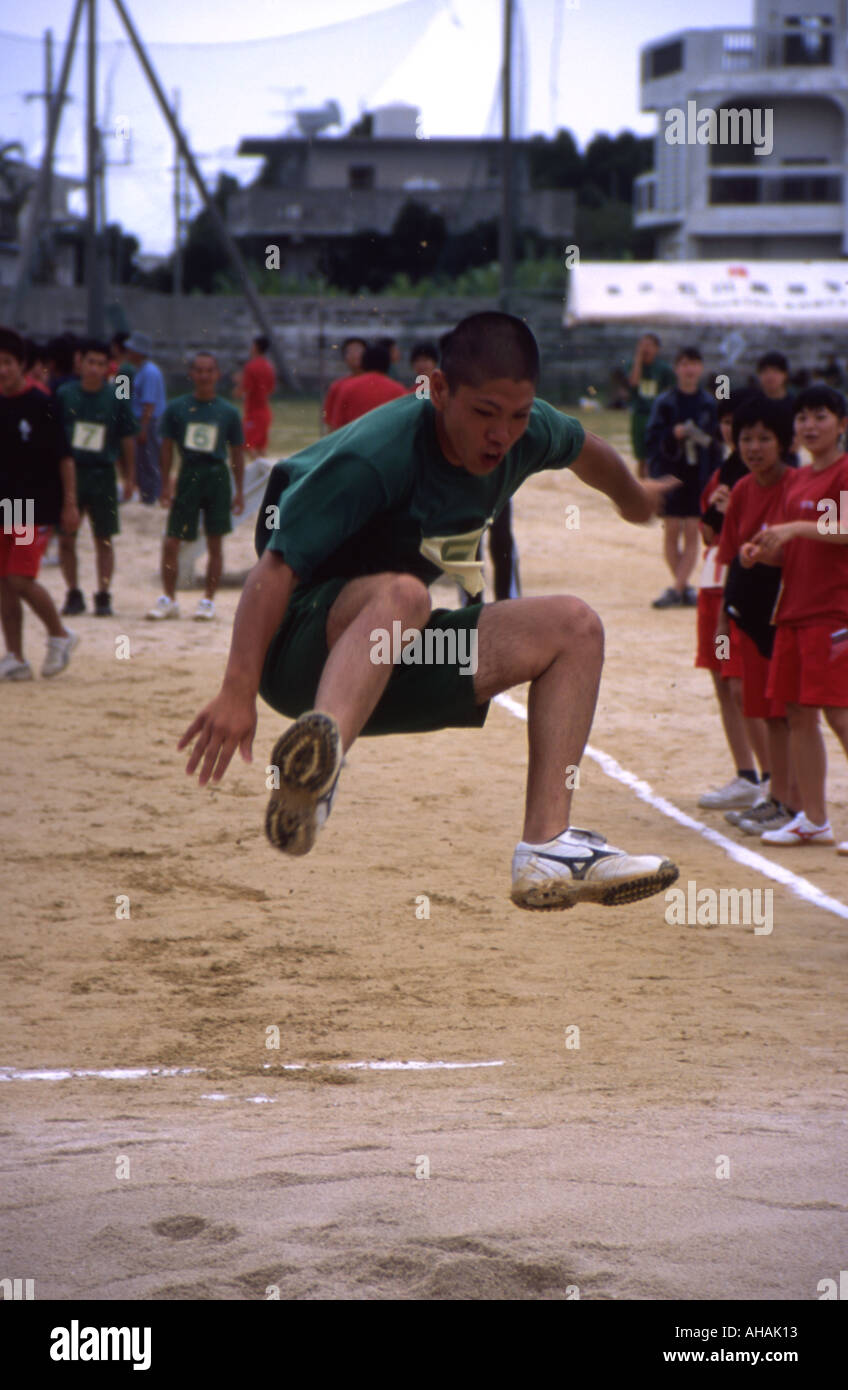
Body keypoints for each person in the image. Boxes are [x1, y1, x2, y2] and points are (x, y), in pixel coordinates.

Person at [178, 311, 680, 912]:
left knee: (574, 626)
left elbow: (587, 451)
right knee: (407, 594)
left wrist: (636, 502)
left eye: (518, 416)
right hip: (300, 650)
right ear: (439, 390)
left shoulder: (526, 432)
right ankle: (319, 764)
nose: (502, 435)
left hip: (391, 654)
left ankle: (547, 846)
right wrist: (237, 689)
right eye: (485, 413)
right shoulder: (378, 453)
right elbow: (274, 570)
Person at [741, 385, 848, 854]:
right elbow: (793, 554)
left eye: (820, 416)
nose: (809, 425)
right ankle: (814, 819)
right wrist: (760, 554)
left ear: (841, 423)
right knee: (797, 713)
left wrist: (796, 528)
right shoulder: (799, 479)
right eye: (802, 417)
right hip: (794, 612)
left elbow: (844, 532)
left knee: (840, 713)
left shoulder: (844, 473)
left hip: (834, 612)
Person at [715, 395, 800, 835]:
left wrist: (767, 555)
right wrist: (723, 624)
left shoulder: (797, 486)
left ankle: (795, 803)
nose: (753, 447)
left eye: (764, 438)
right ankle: (777, 796)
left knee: (790, 711)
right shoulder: (745, 489)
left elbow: (805, 553)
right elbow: (730, 556)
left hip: (784, 613)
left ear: (784, 442)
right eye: (746, 438)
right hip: (747, 614)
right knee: (766, 711)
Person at [696, 392, 769, 812]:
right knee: (723, 680)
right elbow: (708, 535)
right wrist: (719, 511)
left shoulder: (763, 478)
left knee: (745, 684)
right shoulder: (722, 473)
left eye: (736, 425)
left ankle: (771, 778)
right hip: (713, 585)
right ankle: (746, 774)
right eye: (725, 424)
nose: (730, 432)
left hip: (740, 591)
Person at [0, 326, 79, 680]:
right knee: (3, 582)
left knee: (19, 578)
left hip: (33, 505)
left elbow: (64, 457)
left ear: (21, 364)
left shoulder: (42, 402)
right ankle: (15, 656)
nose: (2, 370)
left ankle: (60, 635)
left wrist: (70, 504)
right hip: (5, 505)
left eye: (7, 362)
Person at [147, 351, 244, 622]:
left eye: (209, 370)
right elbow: (166, 449)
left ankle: (208, 600)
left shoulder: (228, 411)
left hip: (217, 477)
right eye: (199, 370)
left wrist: (238, 490)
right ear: (191, 374)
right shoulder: (177, 409)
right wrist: (164, 484)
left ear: (217, 375)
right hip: (188, 474)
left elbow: (237, 452)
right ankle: (168, 598)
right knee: (172, 540)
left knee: (215, 541)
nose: (203, 375)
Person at [56, 338, 138, 617]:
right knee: (67, 537)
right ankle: (73, 591)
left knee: (103, 538)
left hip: (103, 474)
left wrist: (129, 477)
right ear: (80, 362)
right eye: (90, 362)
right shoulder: (64, 394)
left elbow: (127, 438)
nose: (94, 368)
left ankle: (103, 593)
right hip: (71, 474)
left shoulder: (117, 397)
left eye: (101, 364)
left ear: (107, 367)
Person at [645, 345, 721, 609]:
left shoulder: (708, 403)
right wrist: (672, 433)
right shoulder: (665, 402)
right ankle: (683, 587)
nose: (689, 369)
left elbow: (716, 441)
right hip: (671, 473)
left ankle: (676, 589)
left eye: (694, 363)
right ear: (677, 368)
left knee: (691, 531)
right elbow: (651, 437)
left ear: (700, 368)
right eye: (684, 363)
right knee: (671, 531)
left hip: (698, 474)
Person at [124, 330, 166, 504]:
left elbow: (149, 403)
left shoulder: (149, 372)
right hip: (142, 420)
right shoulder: (136, 370)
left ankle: (153, 495)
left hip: (149, 422)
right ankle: (146, 493)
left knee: (149, 460)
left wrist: (143, 428)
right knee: (142, 460)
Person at [626, 333, 675, 480]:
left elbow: (671, 389)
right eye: (642, 345)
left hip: (656, 415)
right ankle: (642, 486)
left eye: (649, 345)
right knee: (641, 455)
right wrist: (638, 360)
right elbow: (634, 383)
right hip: (639, 414)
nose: (645, 349)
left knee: (655, 454)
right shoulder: (633, 365)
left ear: (657, 349)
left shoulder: (663, 368)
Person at [329, 342, 407, 429]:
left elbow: (335, 425)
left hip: (355, 440)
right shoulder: (399, 389)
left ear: (363, 362)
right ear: (388, 364)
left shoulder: (347, 387)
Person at [237, 334, 276, 458]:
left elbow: (245, 388)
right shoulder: (269, 366)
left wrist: (237, 388)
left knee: (245, 444)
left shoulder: (251, 366)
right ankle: (265, 475)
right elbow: (270, 388)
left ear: (256, 347)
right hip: (265, 412)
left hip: (254, 413)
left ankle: (260, 470)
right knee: (260, 448)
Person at [322, 337, 366, 432]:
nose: (355, 355)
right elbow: (330, 422)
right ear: (345, 357)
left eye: (359, 351)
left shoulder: (375, 384)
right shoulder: (338, 386)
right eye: (351, 351)